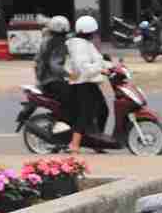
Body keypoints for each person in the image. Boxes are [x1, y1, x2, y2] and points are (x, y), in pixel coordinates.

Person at [35, 15, 91, 151]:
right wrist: (70, 74)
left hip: (44, 80)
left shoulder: (47, 41)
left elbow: (38, 61)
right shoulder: (58, 43)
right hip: (52, 82)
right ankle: (64, 133)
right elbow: (55, 65)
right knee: (78, 102)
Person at [70, 13, 111, 140]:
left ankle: (97, 138)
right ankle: (74, 144)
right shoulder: (78, 46)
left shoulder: (86, 43)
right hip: (80, 84)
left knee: (103, 110)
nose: (95, 34)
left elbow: (98, 59)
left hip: (88, 82)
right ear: (89, 31)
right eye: (94, 31)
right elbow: (84, 68)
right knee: (87, 113)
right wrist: (101, 69)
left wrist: (112, 66)